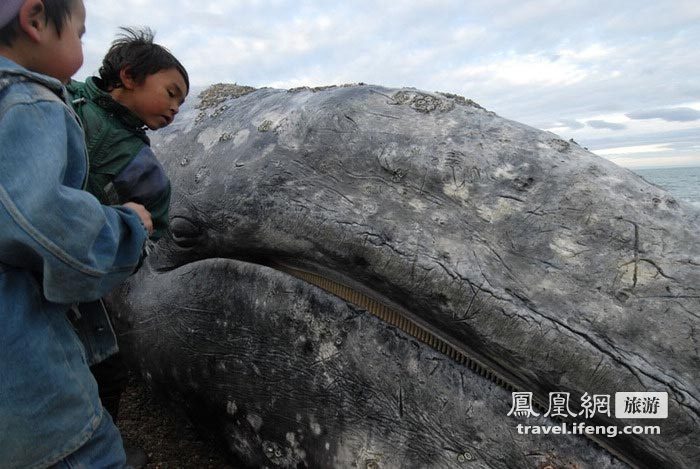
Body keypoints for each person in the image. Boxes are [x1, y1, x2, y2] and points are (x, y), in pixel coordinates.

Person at [0, 1, 153, 467]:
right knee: (84, 452)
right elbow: (43, 221)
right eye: (81, 34)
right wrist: (129, 227)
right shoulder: (25, 102)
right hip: (24, 370)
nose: (83, 45)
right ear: (36, 19)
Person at [66, 27, 188, 467]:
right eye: (171, 93)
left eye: (182, 103)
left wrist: (133, 243)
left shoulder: (136, 154)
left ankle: (98, 445)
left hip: (71, 261)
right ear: (130, 75)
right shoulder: (63, 96)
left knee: (102, 366)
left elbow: (159, 216)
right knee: (95, 366)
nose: (175, 108)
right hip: (57, 256)